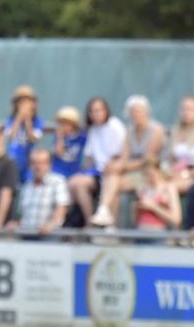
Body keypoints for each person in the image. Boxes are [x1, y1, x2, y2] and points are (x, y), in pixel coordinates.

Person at [91, 95, 165, 227]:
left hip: (153, 172)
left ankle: (108, 219)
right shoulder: (129, 131)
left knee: (114, 181)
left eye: (138, 111)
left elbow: (147, 160)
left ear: (146, 112)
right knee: (113, 178)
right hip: (135, 171)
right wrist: (117, 166)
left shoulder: (156, 130)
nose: (135, 114)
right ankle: (106, 216)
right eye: (133, 111)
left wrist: (121, 166)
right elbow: (124, 157)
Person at [66, 97, 126, 227]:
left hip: (112, 171)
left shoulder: (115, 126)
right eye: (92, 111)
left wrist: (113, 165)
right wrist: (85, 173)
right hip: (98, 172)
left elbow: (122, 153)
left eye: (98, 110)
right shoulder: (92, 130)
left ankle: (103, 214)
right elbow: (89, 157)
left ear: (106, 111)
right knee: (75, 182)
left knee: (111, 180)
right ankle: (89, 221)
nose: (95, 114)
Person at [7, 149, 69, 236]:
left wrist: (51, 224)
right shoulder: (26, 186)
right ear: (30, 166)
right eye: (34, 163)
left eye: (42, 163)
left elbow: (62, 208)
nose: (38, 166)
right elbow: (20, 214)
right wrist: (15, 224)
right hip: (26, 236)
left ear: (49, 165)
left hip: (50, 237)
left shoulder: (58, 182)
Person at [5, 85, 43, 183]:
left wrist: (27, 120)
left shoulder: (37, 121)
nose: (24, 105)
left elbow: (33, 138)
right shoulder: (11, 119)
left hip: (29, 159)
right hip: (14, 156)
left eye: (27, 101)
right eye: (21, 102)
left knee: (28, 181)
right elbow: (10, 136)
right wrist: (18, 118)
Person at [134, 159, 181, 234]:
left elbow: (176, 219)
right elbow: (135, 218)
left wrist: (153, 207)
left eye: (151, 175)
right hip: (140, 231)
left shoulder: (168, 188)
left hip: (159, 233)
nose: (149, 178)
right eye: (146, 175)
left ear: (158, 171)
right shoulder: (142, 189)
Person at [170, 96, 194, 196]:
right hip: (176, 174)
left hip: (190, 176)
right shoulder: (175, 131)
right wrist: (172, 173)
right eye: (183, 109)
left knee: (170, 188)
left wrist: (185, 175)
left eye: (189, 109)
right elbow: (171, 159)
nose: (186, 112)